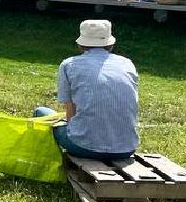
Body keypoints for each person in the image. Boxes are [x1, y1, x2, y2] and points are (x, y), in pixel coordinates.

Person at [33, 19, 138, 161]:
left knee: (40, 112)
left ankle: (46, 164)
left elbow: (70, 112)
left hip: (83, 146)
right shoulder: (127, 64)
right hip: (126, 148)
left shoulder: (69, 65)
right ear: (111, 44)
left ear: (81, 44)